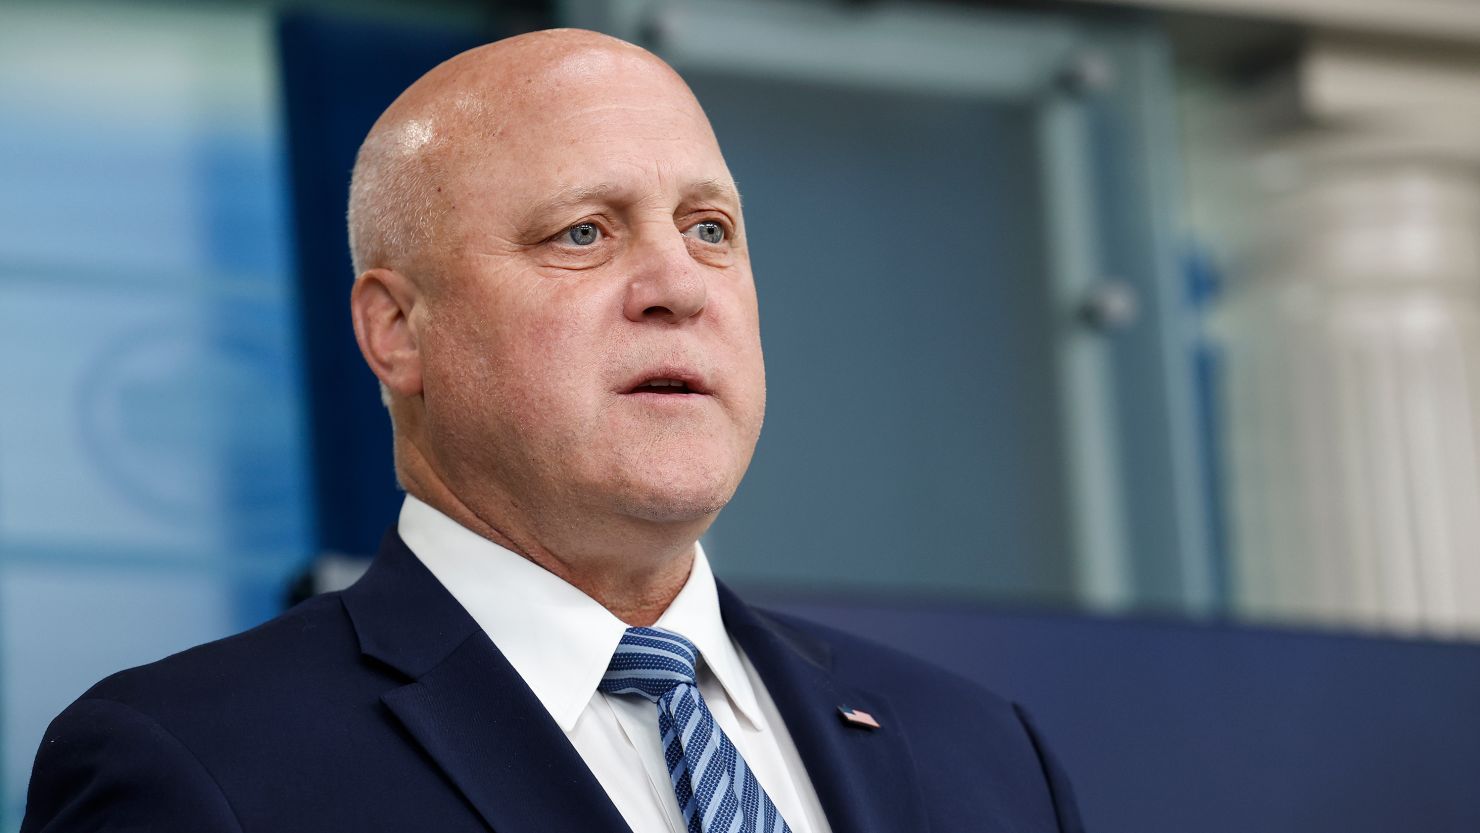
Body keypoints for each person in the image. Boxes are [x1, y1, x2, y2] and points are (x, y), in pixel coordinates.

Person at [22, 29, 1083, 833]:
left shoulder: (985, 751)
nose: (677, 283)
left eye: (709, 228)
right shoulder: (198, 763)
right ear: (397, 331)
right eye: (584, 232)